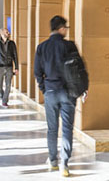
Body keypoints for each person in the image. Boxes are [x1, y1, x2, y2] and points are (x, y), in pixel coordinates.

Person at [34, 16, 81, 177]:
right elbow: (79, 69)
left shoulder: (42, 47)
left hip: (51, 92)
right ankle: (64, 165)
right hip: (68, 92)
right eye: (65, 28)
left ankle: (53, 161)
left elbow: (37, 71)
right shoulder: (69, 46)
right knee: (67, 129)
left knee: (52, 129)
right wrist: (82, 89)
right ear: (61, 29)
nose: (66, 31)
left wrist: (44, 89)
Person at [0, 28, 18, 108]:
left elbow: (15, 56)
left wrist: (16, 67)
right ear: (1, 33)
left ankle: (4, 101)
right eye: (6, 32)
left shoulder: (12, 43)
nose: (8, 33)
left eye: (8, 32)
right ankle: (2, 96)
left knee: (8, 85)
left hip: (9, 66)